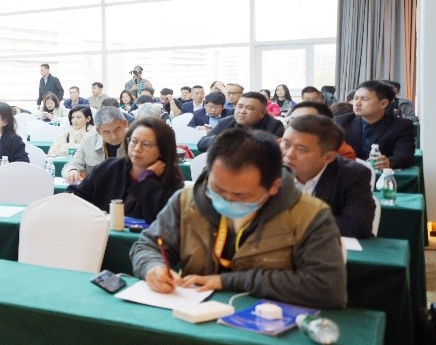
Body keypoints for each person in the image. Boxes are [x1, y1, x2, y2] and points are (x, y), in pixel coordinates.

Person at [131, 128, 348, 309]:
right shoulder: (187, 200)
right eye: (217, 189)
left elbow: (327, 288)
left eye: (240, 196)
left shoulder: (310, 215)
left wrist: (227, 281)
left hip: (267, 324)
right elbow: (148, 245)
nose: (227, 199)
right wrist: (152, 268)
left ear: (274, 187)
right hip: (191, 312)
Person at [70, 117, 184, 224]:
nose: (137, 149)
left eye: (146, 144)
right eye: (133, 141)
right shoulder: (109, 168)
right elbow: (75, 196)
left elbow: (157, 221)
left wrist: (147, 179)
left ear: (162, 150)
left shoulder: (172, 183)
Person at [281, 114, 375, 239]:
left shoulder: (353, 175)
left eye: (301, 149)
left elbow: (357, 226)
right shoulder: (269, 168)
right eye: (286, 144)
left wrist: (294, 222)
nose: (288, 154)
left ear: (328, 157)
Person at [335, 80, 417, 170]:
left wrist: (389, 162)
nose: (357, 103)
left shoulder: (401, 126)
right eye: (356, 98)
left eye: (364, 99)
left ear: (383, 103)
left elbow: (405, 156)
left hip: (380, 174)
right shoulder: (341, 122)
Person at [197, 91, 284, 152]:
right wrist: (224, 139)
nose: (242, 111)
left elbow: (272, 151)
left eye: (249, 108)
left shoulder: (274, 125)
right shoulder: (227, 121)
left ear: (262, 113)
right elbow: (202, 143)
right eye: (239, 106)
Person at [63, 106, 128, 183]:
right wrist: (72, 171)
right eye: (107, 132)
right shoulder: (89, 140)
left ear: (125, 123)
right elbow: (73, 164)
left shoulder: (136, 140)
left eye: (117, 129)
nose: (114, 136)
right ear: (98, 131)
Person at [288, 100, 357, 159]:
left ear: (326, 125)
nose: (294, 125)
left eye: (304, 120)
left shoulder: (341, 152)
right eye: (292, 120)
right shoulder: (284, 144)